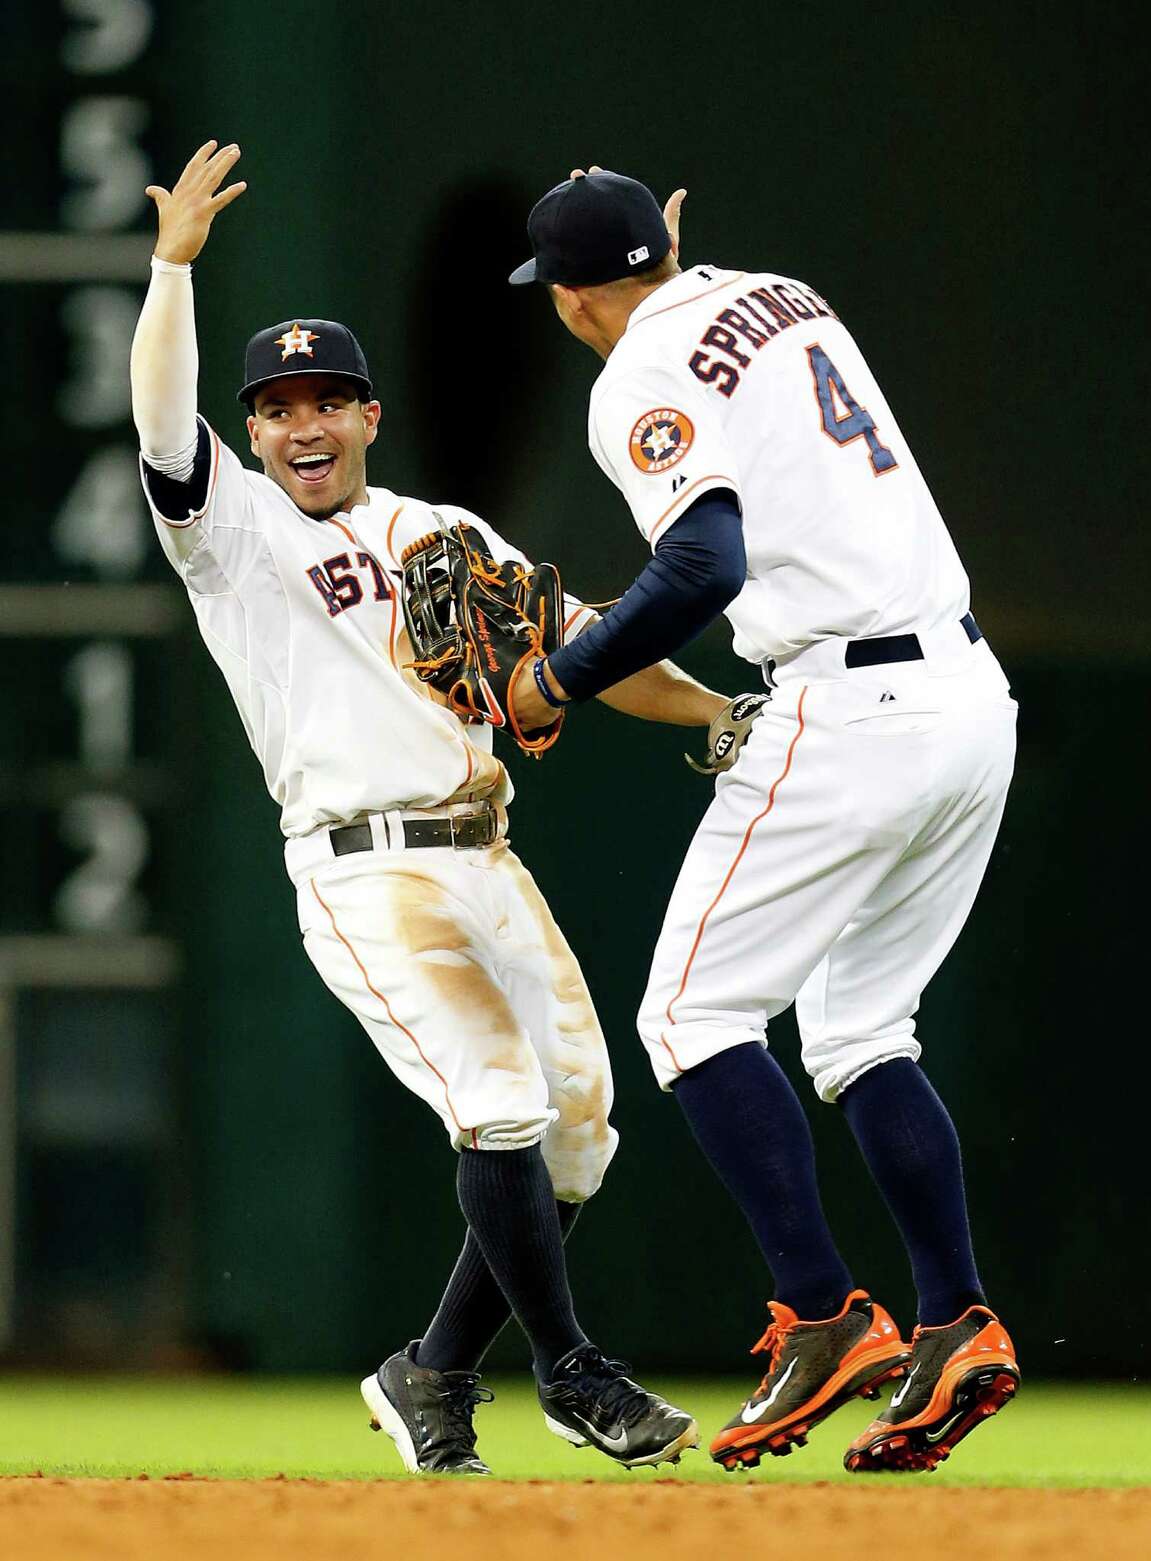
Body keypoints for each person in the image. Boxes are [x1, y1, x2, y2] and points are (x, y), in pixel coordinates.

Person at [129, 142, 724, 1475]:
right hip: (364, 872)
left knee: (579, 1130)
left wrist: (722, 715)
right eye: (276, 406)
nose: (301, 425)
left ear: (369, 418)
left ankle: (432, 1369)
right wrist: (172, 272)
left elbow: (592, 642)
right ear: (259, 430)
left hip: (487, 855)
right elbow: (167, 429)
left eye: (327, 400)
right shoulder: (231, 537)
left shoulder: (443, 536)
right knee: (499, 1094)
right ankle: (574, 1370)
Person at [507, 168, 1021, 1474]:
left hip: (847, 701)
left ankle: (824, 1309)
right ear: (670, 239)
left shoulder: (630, 375)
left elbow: (705, 564)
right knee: (860, 1029)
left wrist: (559, 675)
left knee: (691, 1015)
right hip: (969, 694)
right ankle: (957, 1316)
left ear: (569, 296)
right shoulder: (786, 296)